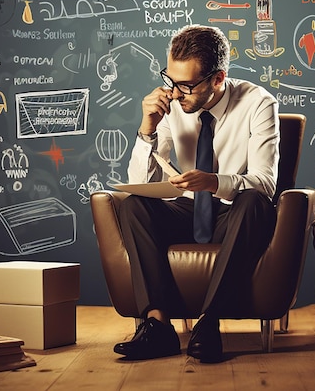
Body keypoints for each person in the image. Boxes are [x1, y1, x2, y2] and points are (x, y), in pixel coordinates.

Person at [113, 25, 279, 362]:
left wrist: (214, 182)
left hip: (232, 214)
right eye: (170, 80)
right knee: (134, 206)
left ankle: (209, 322)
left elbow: (265, 183)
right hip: (188, 211)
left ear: (218, 79)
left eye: (186, 85)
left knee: (254, 202)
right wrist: (147, 128)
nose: (175, 93)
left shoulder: (258, 103)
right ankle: (158, 327)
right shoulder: (170, 102)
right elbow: (140, 180)